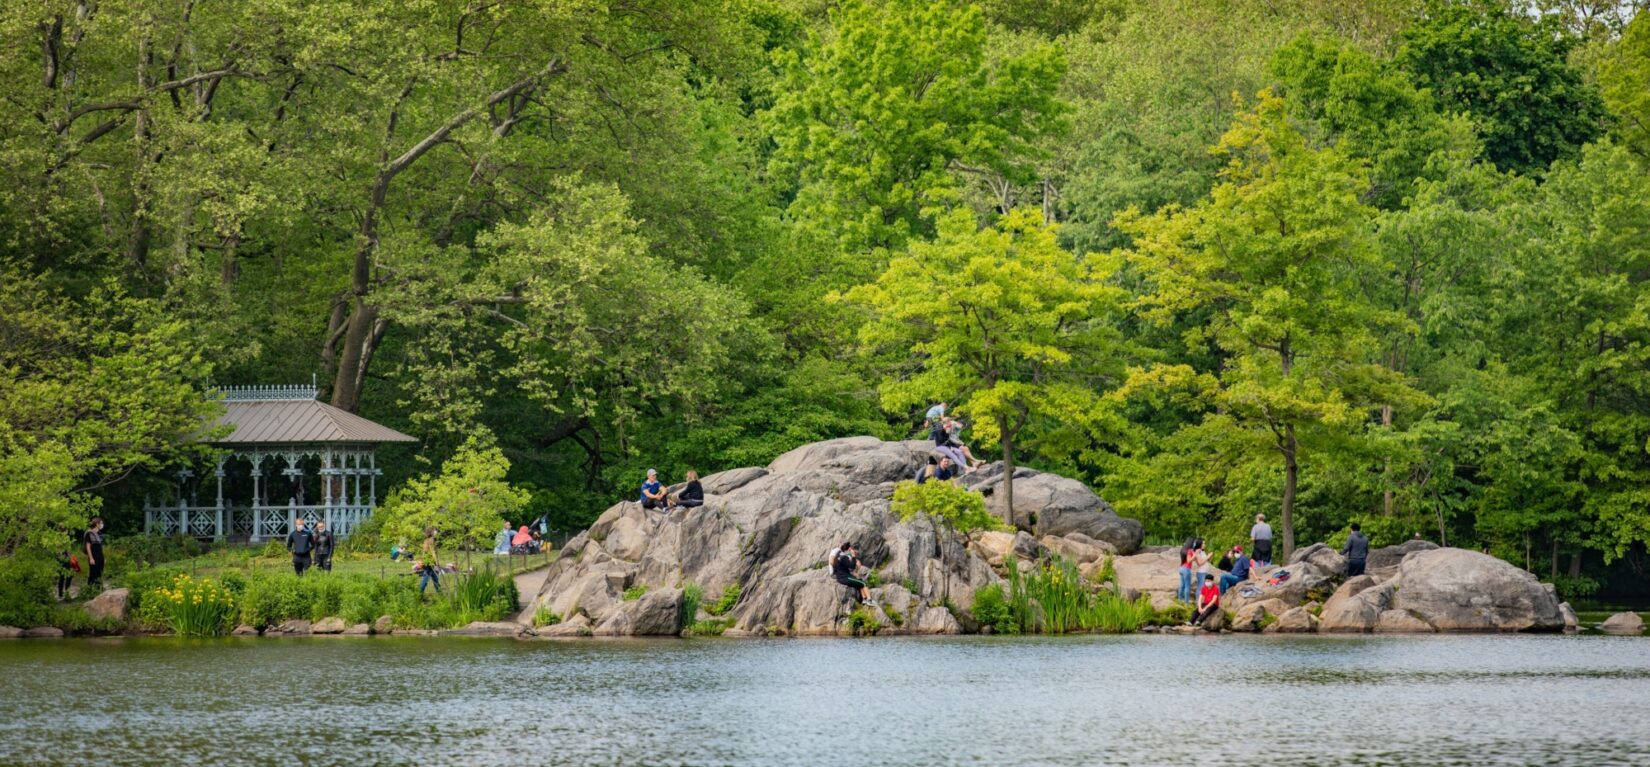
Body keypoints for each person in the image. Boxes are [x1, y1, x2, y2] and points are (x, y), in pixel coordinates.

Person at [831, 542, 875, 607]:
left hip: (841, 577)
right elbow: (852, 566)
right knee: (863, 583)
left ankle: (864, 599)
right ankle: (869, 600)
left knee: (859, 582)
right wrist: (853, 556)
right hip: (845, 578)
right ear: (846, 550)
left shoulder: (838, 556)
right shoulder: (843, 557)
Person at [82, 517, 105, 591]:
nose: (102, 525)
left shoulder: (99, 533)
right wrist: (91, 558)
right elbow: (88, 547)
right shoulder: (90, 533)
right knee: (93, 574)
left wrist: (103, 557)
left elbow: (100, 546)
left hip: (100, 556)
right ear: (97, 524)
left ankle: (98, 590)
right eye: (101, 523)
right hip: (93, 556)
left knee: (99, 573)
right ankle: (89, 590)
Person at [1177, 538, 1198, 602]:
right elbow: (1189, 560)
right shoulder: (1189, 550)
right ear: (1191, 543)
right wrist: (1195, 555)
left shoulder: (1183, 549)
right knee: (1187, 586)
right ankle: (1186, 602)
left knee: (1182, 585)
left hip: (1181, 568)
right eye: (1194, 542)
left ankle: (1179, 599)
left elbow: (1187, 559)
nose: (1195, 544)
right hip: (1186, 569)